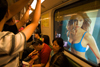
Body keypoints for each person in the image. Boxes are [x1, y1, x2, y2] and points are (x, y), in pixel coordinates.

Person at [0, 0, 41, 67]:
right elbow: (34, 23)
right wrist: (39, 1)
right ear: (7, 13)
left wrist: (28, 9)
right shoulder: (7, 42)